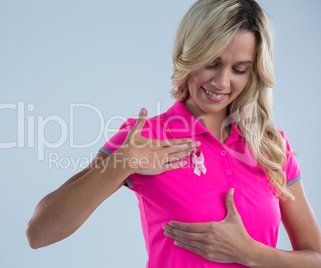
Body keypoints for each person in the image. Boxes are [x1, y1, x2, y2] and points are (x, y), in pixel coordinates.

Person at [26, 0, 321, 267]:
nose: (222, 81)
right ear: (188, 55)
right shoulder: (146, 136)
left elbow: (316, 257)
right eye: (211, 63)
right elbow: (39, 233)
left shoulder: (270, 146)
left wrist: (251, 253)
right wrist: (122, 162)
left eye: (239, 69)